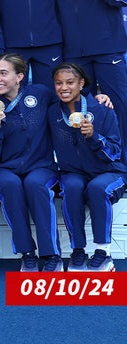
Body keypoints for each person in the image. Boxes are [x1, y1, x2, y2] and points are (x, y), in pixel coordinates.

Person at [51, 0, 127, 160]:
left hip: (108, 49)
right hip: (74, 52)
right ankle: (88, 163)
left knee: (120, 105)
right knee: (80, 108)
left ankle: (122, 163)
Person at [0, 53, 62, 271]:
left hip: (40, 166)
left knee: (35, 185)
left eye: (3, 73)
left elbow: (69, 102)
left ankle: (51, 255)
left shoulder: (41, 94)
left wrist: (97, 101)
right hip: (3, 169)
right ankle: (27, 253)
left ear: (20, 76)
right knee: (11, 186)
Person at [48, 63, 126, 272]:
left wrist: (94, 137)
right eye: (58, 83)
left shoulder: (102, 110)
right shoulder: (52, 112)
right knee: (72, 187)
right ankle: (78, 251)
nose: (64, 87)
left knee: (97, 188)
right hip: (73, 172)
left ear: (82, 83)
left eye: (70, 82)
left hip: (109, 171)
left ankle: (103, 253)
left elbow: (115, 152)